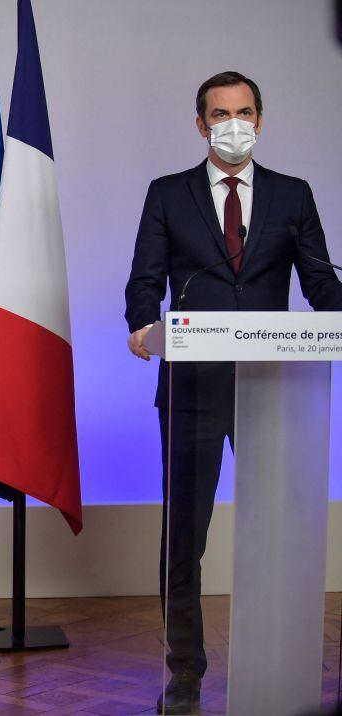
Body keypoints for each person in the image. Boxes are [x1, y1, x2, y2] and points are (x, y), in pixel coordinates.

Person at [125, 70, 342, 714]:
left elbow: (320, 285)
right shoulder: (168, 194)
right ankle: (185, 673)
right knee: (184, 538)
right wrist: (142, 325)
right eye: (221, 113)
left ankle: (278, 663)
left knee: (279, 529)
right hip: (193, 386)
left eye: (245, 111)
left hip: (274, 390)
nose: (234, 123)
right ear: (201, 124)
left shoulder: (292, 195)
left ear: (261, 119)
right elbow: (145, 279)